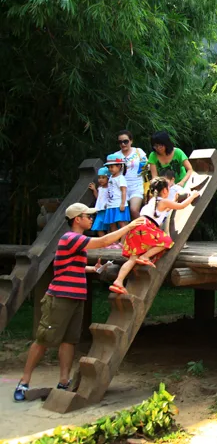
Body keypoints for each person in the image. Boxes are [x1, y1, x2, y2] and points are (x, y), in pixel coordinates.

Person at [13, 204, 144, 402]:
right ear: (77, 219)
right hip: (60, 297)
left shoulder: (77, 242)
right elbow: (103, 241)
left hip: (76, 297)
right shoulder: (70, 238)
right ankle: (24, 382)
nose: (91, 219)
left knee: (69, 341)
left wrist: (94, 269)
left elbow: (73, 266)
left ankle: (64, 381)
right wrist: (130, 226)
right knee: (43, 339)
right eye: (87, 216)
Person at [112, 177, 200, 294]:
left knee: (133, 258)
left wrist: (174, 200)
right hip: (146, 227)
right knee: (166, 241)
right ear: (165, 190)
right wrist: (192, 196)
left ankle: (118, 281)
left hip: (136, 227)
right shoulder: (163, 201)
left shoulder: (153, 201)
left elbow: (163, 210)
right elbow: (181, 206)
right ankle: (145, 256)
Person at [109, 130, 148, 219]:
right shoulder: (115, 155)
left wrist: (145, 167)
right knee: (121, 213)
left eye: (125, 141)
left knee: (134, 210)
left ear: (131, 141)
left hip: (137, 186)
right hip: (121, 187)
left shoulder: (138, 151)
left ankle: (146, 226)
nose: (123, 144)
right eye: (120, 142)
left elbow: (146, 166)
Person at [103, 156, 130, 246]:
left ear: (119, 166)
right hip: (111, 204)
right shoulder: (111, 177)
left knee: (122, 223)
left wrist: (122, 203)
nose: (110, 169)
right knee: (112, 224)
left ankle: (122, 242)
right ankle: (115, 242)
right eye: (109, 167)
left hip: (119, 204)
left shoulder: (121, 178)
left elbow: (123, 191)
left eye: (112, 166)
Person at [89, 167, 111, 237]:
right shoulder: (100, 188)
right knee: (98, 227)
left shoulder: (110, 188)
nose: (100, 180)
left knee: (109, 227)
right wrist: (94, 190)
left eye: (103, 177)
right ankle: (103, 240)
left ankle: (110, 241)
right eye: (99, 178)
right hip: (99, 210)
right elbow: (98, 197)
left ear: (108, 178)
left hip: (107, 210)